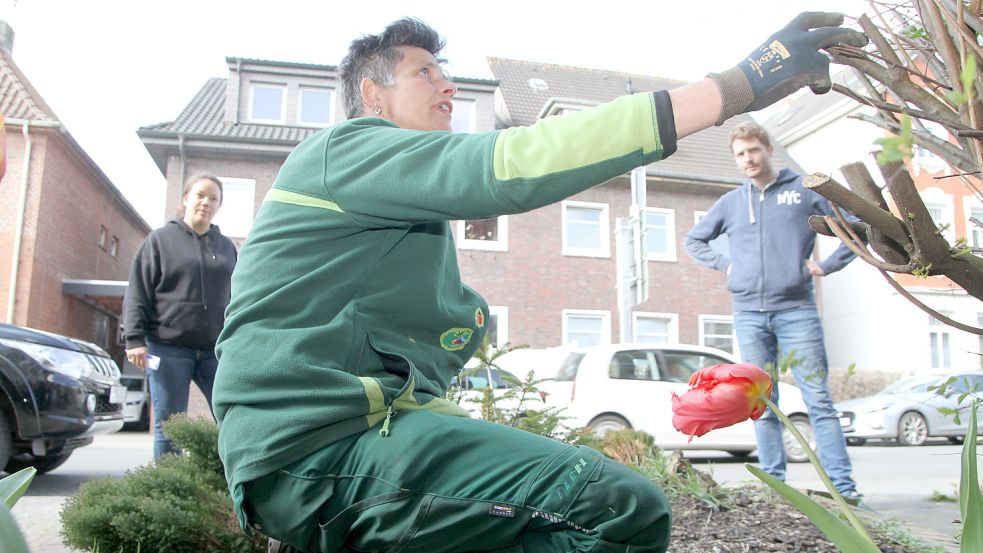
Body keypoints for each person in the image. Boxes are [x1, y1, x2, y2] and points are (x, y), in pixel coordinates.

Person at [213, 15, 866, 553]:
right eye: (425, 72)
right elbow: (514, 164)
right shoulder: (346, 150)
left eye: (445, 74)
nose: (446, 87)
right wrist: (737, 86)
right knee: (623, 506)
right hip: (313, 445)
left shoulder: (387, 208)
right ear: (372, 96)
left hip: (318, 447)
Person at [684, 121, 860, 500]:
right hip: (748, 313)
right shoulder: (732, 202)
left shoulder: (801, 190)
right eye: (740, 154)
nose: (748, 159)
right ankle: (775, 488)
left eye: (754, 150)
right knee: (762, 402)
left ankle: (845, 491)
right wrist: (726, 265)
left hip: (797, 309)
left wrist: (826, 266)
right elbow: (694, 239)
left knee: (817, 399)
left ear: (768, 150)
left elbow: (855, 226)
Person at [123, 174, 237, 459]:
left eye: (214, 198)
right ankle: (168, 490)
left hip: (214, 350)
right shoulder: (160, 241)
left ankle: (225, 484)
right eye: (200, 195)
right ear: (186, 198)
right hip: (168, 347)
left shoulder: (224, 247)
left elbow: (237, 296)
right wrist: (134, 339)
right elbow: (138, 290)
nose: (206, 202)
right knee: (170, 425)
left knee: (232, 418)